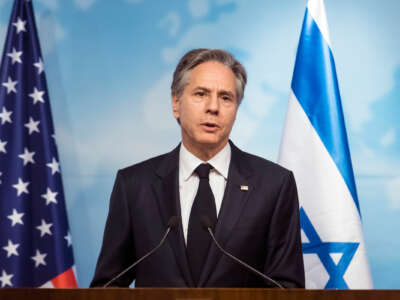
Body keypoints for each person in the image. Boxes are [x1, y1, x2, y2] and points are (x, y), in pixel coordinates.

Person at [90, 49, 305, 288]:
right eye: (201, 94)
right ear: (176, 103)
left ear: (236, 110)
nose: (213, 107)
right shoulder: (134, 185)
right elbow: (107, 288)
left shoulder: (273, 185)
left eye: (225, 98)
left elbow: (287, 288)